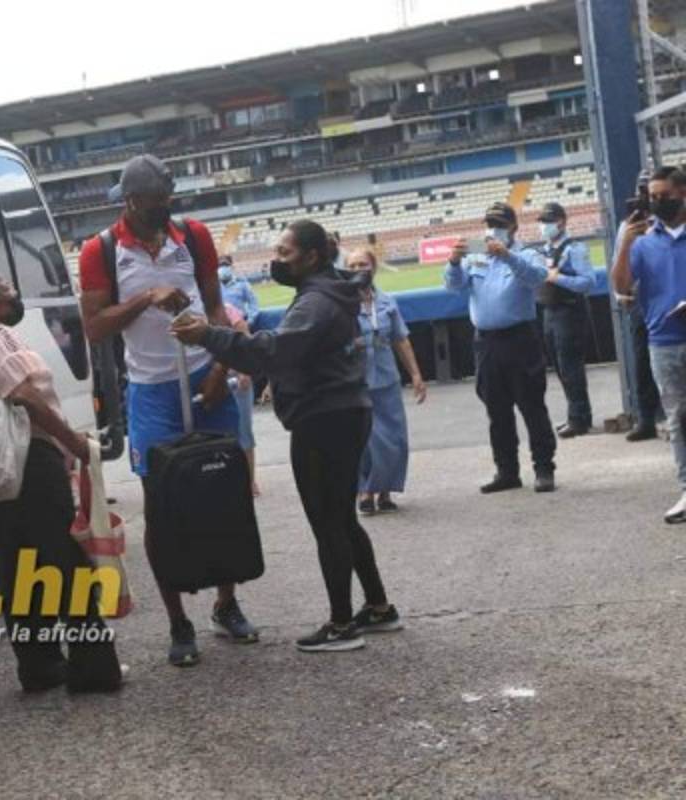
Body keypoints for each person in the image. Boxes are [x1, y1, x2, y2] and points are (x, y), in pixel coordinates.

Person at [172, 220, 401, 653]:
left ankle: (340, 624)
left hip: (324, 419)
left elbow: (271, 351)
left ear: (312, 257)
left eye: (284, 252)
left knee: (328, 523)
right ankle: (376, 606)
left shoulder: (316, 301)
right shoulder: (331, 290)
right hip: (344, 412)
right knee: (343, 518)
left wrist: (208, 335)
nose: (276, 260)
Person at [79, 154, 259, 667]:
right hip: (152, 388)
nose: (167, 208)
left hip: (206, 372)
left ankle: (226, 604)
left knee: (226, 491)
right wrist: (146, 298)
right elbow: (94, 326)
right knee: (161, 506)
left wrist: (223, 367)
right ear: (132, 202)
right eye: (158, 201)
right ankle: (178, 622)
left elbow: (214, 305)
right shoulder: (102, 250)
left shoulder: (193, 235)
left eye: (169, 198)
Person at [0, 266, 125, 692]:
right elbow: (24, 394)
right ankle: (93, 669)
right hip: (31, 462)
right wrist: (73, 442)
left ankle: (39, 666)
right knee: (67, 563)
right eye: (6, 291)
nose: (14, 295)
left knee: (19, 565)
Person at [445, 202, 557, 494]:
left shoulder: (526, 254)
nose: (493, 230)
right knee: (497, 410)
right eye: (489, 223)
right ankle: (507, 471)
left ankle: (544, 468)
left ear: (513, 228)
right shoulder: (475, 258)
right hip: (487, 342)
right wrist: (454, 262)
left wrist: (508, 256)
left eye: (500, 224)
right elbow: (454, 286)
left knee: (532, 406)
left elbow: (536, 277)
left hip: (520, 338)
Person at [610, 166, 686, 523]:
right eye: (652, 197)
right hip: (663, 341)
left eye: (663, 196)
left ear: (681, 193)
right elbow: (622, 287)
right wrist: (625, 243)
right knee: (677, 419)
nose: (656, 203)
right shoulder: (642, 241)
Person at [345, 248, 427, 515]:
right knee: (366, 439)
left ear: (373, 267)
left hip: (387, 380)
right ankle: (365, 490)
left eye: (363, 264)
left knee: (394, 438)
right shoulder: (341, 304)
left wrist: (415, 374)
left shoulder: (387, 301)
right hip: (356, 381)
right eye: (353, 264)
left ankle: (385, 491)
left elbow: (401, 339)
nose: (359, 269)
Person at [535, 202, 595, 438]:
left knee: (571, 366)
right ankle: (576, 414)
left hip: (570, 310)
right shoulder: (545, 250)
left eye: (547, 221)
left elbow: (588, 282)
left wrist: (557, 278)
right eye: (541, 222)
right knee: (560, 366)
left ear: (561, 221)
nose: (543, 226)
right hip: (550, 311)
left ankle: (579, 418)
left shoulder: (575, 249)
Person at [612, 205, 664, 442]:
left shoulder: (668, 224)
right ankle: (646, 419)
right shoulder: (628, 226)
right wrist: (618, 294)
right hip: (637, 301)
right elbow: (618, 266)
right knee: (641, 363)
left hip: (666, 299)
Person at [224, 303, 260, 497]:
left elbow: (246, 339)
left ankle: (249, 480)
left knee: (244, 432)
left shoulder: (228, 310)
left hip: (237, 379)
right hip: (214, 380)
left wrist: (245, 371)